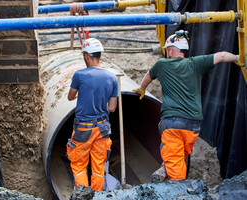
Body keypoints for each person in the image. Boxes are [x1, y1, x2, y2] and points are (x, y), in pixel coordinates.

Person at [132, 30, 239, 183]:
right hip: (193, 127)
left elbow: (148, 75)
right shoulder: (195, 63)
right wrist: (238, 58)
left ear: (170, 49)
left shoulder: (162, 64)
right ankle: (166, 169)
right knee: (179, 156)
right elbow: (222, 56)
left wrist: (142, 89)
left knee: (176, 170)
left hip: (172, 125)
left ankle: (178, 190)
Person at [67, 38, 119, 191]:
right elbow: (112, 108)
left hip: (83, 129)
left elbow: (70, 97)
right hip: (102, 129)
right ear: (99, 56)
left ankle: (82, 195)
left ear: (86, 56)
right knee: (99, 166)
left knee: (79, 164)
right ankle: (97, 196)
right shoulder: (112, 78)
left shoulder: (79, 75)